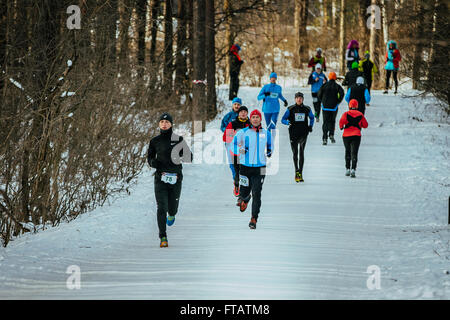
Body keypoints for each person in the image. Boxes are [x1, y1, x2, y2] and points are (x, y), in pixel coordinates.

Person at [147, 113, 193, 247]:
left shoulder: (178, 140)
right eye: (162, 121)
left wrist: (179, 157)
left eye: (167, 122)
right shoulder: (154, 141)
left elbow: (189, 157)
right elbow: (149, 158)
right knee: (161, 207)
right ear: (158, 124)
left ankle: (172, 215)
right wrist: (153, 162)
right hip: (160, 178)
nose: (164, 124)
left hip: (176, 178)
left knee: (172, 209)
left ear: (171, 124)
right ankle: (163, 236)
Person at [232, 109, 272, 229]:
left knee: (257, 192)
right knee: (244, 193)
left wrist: (270, 151)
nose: (255, 119)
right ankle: (244, 199)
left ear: (260, 119)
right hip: (245, 167)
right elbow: (232, 145)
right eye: (253, 117)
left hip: (261, 167)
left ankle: (254, 218)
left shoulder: (266, 133)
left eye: (257, 117)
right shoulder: (243, 132)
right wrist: (240, 151)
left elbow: (271, 144)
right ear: (250, 119)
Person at [281, 92, 315, 183]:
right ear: (295, 99)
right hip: (293, 133)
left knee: (302, 152)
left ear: (303, 99)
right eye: (297, 98)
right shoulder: (290, 109)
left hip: (304, 133)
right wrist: (287, 123)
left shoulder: (307, 109)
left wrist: (310, 126)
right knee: (295, 153)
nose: (299, 99)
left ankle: (301, 172)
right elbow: (282, 119)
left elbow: (312, 117)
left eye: (300, 98)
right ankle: (297, 171)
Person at [223, 105, 250, 197]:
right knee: (236, 169)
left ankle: (245, 188)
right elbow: (225, 138)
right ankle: (237, 185)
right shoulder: (233, 123)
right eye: (241, 112)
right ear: (238, 113)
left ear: (247, 113)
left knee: (245, 169)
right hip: (234, 149)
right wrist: (234, 137)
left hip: (247, 150)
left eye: (245, 112)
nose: (243, 113)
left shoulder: (251, 123)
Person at [339, 99, 368, 178]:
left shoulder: (346, 114)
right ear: (357, 106)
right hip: (356, 135)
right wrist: (360, 125)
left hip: (346, 136)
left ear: (349, 106)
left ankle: (347, 169)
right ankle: (353, 170)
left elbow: (341, 122)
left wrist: (341, 127)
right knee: (354, 152)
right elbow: (365, 125)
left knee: (347, 151)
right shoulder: (360, 114)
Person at [317, 72, 344, 145]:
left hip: (325, 107)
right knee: (332, 121)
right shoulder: (337, 86)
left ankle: (325, 138)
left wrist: (322, 101)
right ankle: (331, 134)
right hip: (334, 107)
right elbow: (342, 94)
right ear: (335, 78)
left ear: (329, 77)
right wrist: (338, 101)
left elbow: (319, 94)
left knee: (325, 122)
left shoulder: (324, 85)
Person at [221, 97, 242, 181]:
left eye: (238, 104)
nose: (236, 106)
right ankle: (235, 177)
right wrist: (228, 131)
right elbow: (222, 127)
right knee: (232, 162)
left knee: (240, 161)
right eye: (235, 104)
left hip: (240, 142)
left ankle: (241, 178)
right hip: (229, 141)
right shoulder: (228, 116)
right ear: (232, 105)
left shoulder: (243, 116)